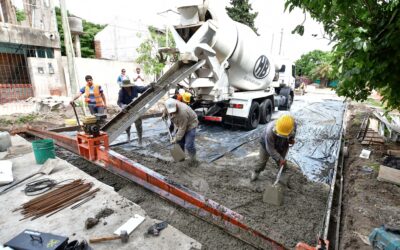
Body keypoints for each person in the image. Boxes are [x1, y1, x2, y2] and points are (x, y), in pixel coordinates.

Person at [250, 114, 296, 181]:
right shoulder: (269, 131)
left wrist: (291, 139)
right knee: (262, 162)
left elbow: (293, 134)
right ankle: (256, 172)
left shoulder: (292, 125)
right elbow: (270, 149)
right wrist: (279, 158)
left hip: (283, 142)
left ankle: (282, 174)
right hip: (266, 144)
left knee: (283, 163)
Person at [163, 98, 199, 166]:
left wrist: (176, 138)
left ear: (176, 105)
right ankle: (181, 158)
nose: (172, 112)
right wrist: (164, 114)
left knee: (189, 145)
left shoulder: (182, 112)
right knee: (179, 143)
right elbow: (166, 109)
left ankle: (194, 160)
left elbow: (182, 129)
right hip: (180, 124)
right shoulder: (168, 105)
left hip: (190, 124)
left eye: (174, 111)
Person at [117, 79, 151, 145]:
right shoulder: (121, 91)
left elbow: (143, 89)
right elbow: (119, 102)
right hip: (127, 110)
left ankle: (140, 140)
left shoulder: (135, 88)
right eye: (125, 87)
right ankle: (128, 136)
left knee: (138, 125)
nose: (126, 88)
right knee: (127, 125)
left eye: (127, 86)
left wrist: (149, 85)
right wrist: (122, 105)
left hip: (136, 109)